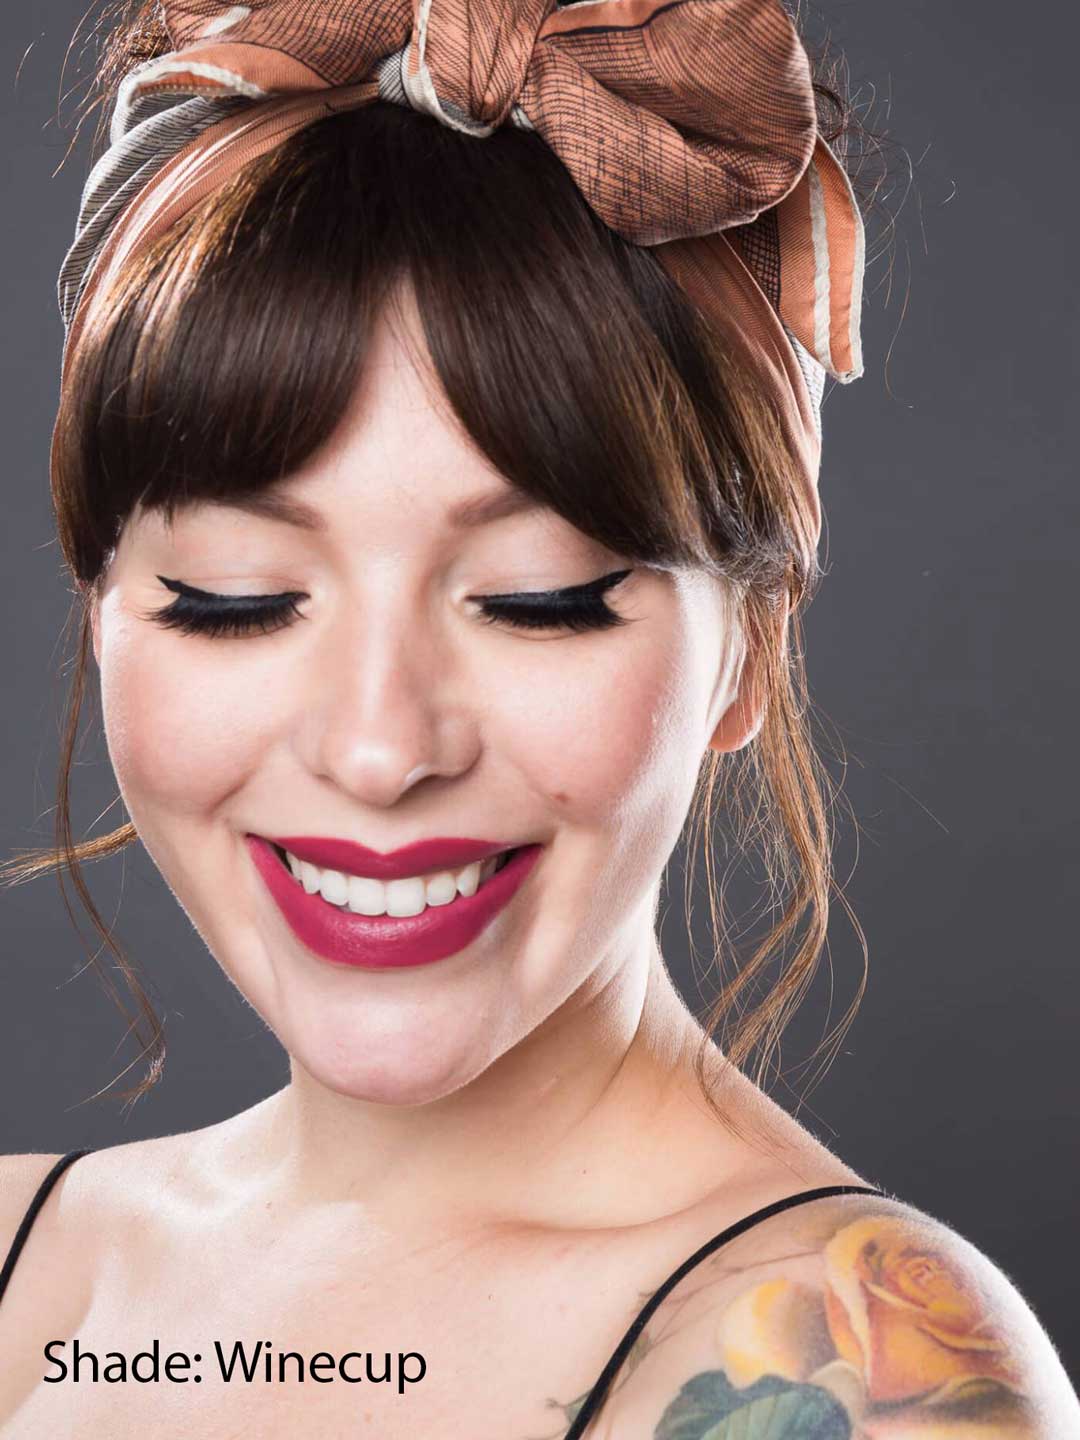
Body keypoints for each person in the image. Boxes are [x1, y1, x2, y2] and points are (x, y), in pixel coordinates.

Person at [1, 1, 1076, 1434]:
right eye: (233, 600)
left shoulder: (859, 1380)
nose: (379, 751)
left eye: (538, 600)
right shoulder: (27, 1263)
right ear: (101, 611)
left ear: (749, 648)